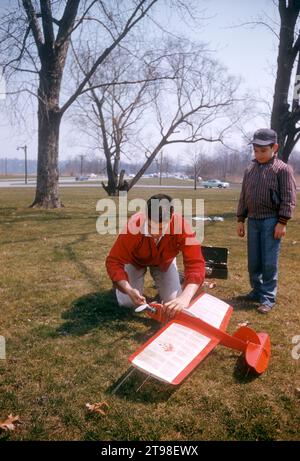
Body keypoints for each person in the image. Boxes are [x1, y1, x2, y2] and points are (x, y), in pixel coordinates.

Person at [106, 194, 205, 319]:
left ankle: (176, 279)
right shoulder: (133, 225)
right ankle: (122, 286)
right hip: (135, 261)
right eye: (150, 226)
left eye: (161, 228)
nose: (155, 233)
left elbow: (196, 263)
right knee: (128, 303)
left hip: (164, 262)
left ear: (171, 218)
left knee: (174, 303)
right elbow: (114, 261)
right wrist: (128, 288)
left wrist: (185, 298)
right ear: (145, 216)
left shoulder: (183, 226)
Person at [236, 128, 297, 313]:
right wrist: (240, 219)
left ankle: (268, 297)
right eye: (256, 150)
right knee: (254, 261)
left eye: (263, 150)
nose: (259, 154)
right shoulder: (250, 169)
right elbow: (243, 195)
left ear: (275, 148)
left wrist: (282, 221)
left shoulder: (283, 170)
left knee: (269, 261)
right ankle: (256, 290)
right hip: (253, 221)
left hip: (272, 221)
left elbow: (288, 197)